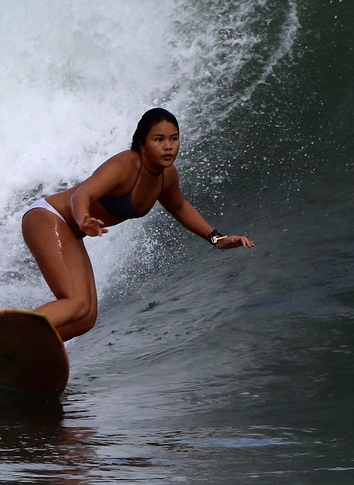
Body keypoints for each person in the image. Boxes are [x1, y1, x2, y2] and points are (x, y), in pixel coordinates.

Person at [21, 108, 254, 341]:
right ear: (142, 144)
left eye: (174, 138)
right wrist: (83, 219)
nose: (168, 146)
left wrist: (217, 239)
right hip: (48, 217)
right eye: (158, 139)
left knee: (86, 318)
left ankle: (31, 349)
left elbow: (180, 207)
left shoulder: (166, 176)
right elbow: (81, 195)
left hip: (70, 231)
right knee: (77, 303)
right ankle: (14, 336)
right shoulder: (126, 165)